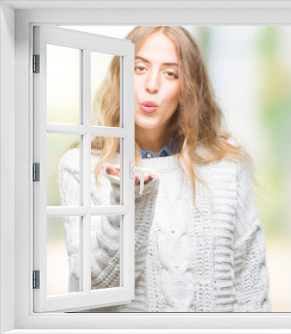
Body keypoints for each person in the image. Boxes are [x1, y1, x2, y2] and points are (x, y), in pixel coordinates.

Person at [58, 26, 272, 312]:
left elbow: (251, 291)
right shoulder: (82, 167)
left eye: (170, 73)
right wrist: (128, 198)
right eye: (139, 68)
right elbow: (95, 286)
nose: (152, 85)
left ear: (187, 89)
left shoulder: (227, 168)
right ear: (120, 76)